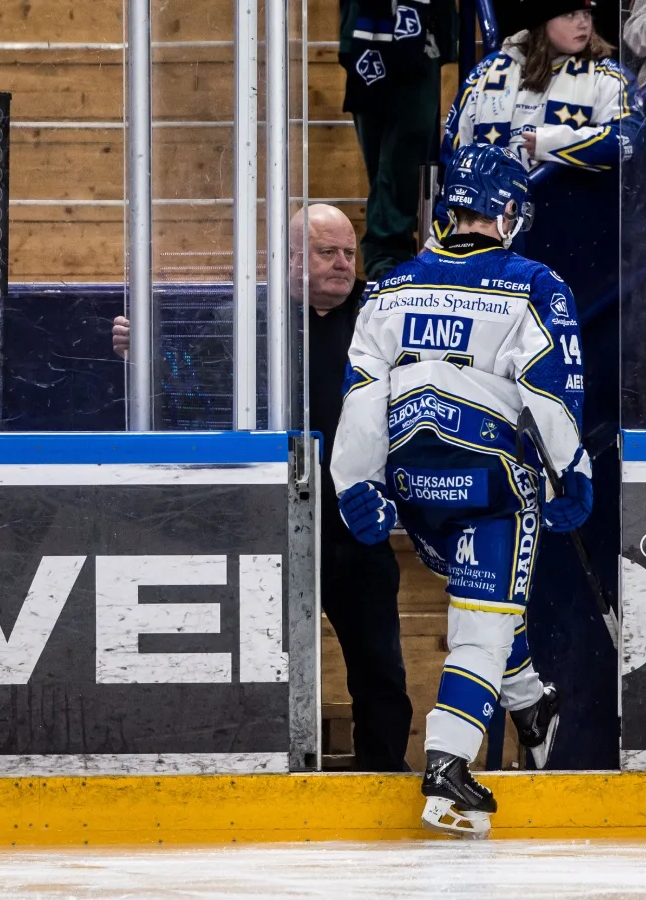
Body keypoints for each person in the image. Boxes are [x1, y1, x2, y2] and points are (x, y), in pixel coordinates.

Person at [331, 143, 588, 838]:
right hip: (492, 479)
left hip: (414, 486)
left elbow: (362, 393)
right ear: (506, 210)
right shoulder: (533, 283)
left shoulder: (388, 286)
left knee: (486, 599)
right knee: (482, 622)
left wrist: (356, 485)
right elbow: (551, 391)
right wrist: (574, 467)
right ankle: (446, 768)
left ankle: (530, 701)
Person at [113, 205, 415, 772]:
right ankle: (263, 768)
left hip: (358, 526)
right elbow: (191, 396)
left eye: (350, 253)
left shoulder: (385, 318)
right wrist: (143, 358)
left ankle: (382, 770)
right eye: (329, 253)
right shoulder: (245, 321)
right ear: (291, 259)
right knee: (263, 658)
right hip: (270, 529)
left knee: (379, 662)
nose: (343, 264)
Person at [437, 0, 637, 232]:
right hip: (490, 237)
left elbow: (630, 139)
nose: (583, 23)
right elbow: (455, 158)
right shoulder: (487, 73)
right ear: (541, 20)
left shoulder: (608, 75)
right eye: (570, 14)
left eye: (587, 13)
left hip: (578, 234)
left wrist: (555, 143)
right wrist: (440, 234)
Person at [339, 0, 457, 279]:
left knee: (400, 165)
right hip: (365, 42)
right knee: (381, 167)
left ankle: (387, 258)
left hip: (419, 44)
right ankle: (386, 259)